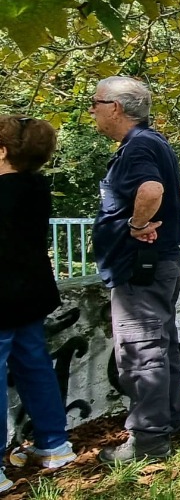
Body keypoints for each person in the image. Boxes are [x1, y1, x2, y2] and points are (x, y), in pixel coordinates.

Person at [90, 76, 180, 463]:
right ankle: (168, 420)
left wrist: (135, 226)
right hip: (160, 263)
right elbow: (174, 192)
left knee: (140, 350)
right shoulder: (157, 142)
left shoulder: (137, 147)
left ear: (115, 108)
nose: (93, 110)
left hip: (140, 268)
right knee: (161, 344)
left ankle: (148, 442)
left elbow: (153, 191)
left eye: (95, 103)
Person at [0, 115, 77, 490]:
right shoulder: (36, 187)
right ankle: (54, 444)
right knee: (34, 365)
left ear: (3, 152)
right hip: (30, 292)